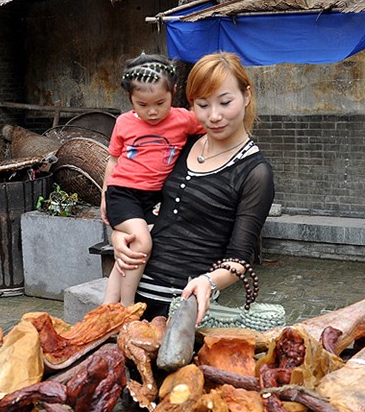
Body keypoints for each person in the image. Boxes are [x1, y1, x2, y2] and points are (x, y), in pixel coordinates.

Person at [111, 51, 275, 325]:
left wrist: (209, 281)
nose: (214, 116)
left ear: (246, 96)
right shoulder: (181, 144)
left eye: (225, 102)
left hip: (183, 307)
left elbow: (239, 259)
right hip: (131, 295)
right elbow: (141, 199)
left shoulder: (255, 172)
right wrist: (119, 235)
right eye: (202, 104)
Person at [101, 53, 205, 307]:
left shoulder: (183, 119)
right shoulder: (124, 123)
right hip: (122, 192)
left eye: (160, 102)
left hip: (154, 198)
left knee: (132, 246)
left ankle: (108, 304)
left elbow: (210, 128)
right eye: (142, 104)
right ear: (130, 99)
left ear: (173, 92)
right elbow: (113, 161)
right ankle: (128, 306)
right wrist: (104, 196)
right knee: (143, 242)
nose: (153, 111)